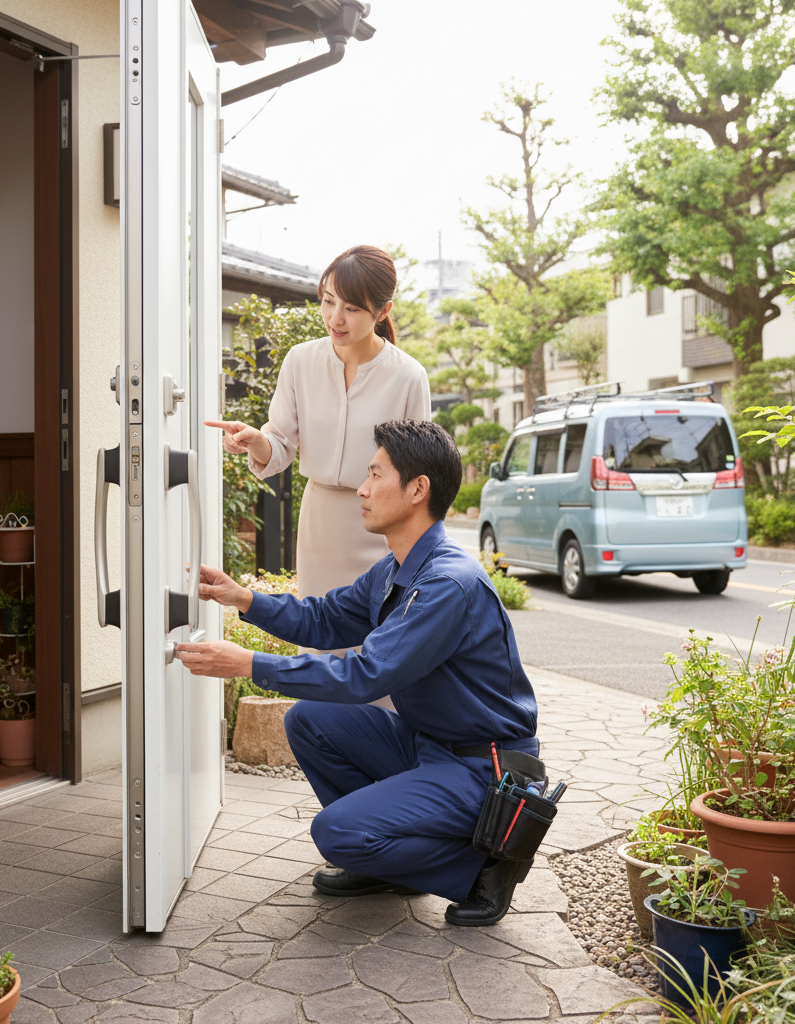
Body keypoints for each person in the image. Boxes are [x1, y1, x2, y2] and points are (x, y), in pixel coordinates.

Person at [176, 419, 541, 926]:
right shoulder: (397, 566)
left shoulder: (446, 584)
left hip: (482, 767)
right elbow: (324, 619)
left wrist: (251, 664)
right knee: (309, 719)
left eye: (375, 475)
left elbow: (366, 675)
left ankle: (481, 865)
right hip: (427, 745)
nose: (362, 490)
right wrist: (244, 598)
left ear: (418, 490)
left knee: (336, 833)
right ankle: (386, 863)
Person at [205, 244, 430, 605]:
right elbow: (279, 443)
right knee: (317, 634)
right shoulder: (300, 361)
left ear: (382, 310)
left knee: (375, 647)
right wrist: (255, 440)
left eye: (351, 308)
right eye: (329, 301)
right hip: (319, 528)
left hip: (383, 532)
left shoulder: (408, 376)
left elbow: (421, 473)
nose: (335, 318)